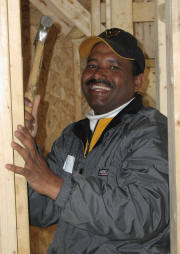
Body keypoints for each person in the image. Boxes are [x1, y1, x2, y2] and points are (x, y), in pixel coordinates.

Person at [6, 28, 170, 253]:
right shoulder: (73, 137)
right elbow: (41, 211)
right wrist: (25, 147)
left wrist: (56, 186)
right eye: (92, 65)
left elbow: (143, 214)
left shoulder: (150, 131)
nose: (98, 74)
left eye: (113, 67)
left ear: (137, 81)